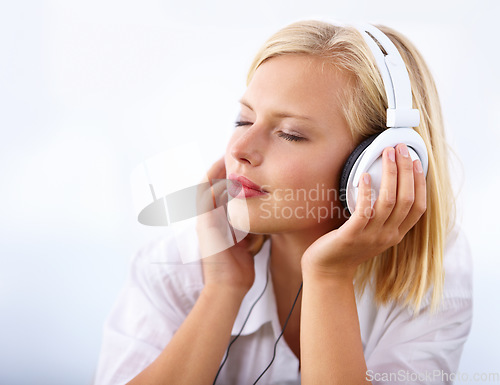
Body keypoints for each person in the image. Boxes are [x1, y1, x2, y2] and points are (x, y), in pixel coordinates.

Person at [94, 20, 473, 385]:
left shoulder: (432, 274)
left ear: (371, 165)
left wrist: (329, 278)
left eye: (290, 134)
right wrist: (223, 289)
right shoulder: (174, 268)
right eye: (243, 121)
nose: (239, 150)